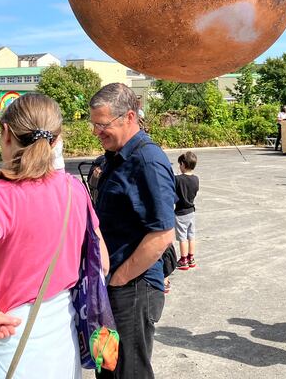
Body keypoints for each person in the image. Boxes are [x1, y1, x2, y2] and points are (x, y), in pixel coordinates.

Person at [0, 93, 108, 378]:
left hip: (9, 335)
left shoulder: (2, 197)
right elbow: (101, 260)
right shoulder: (73, 189)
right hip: (62, 335)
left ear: (6, 134)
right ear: (56, 139)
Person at [89, 82, 176, 379]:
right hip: (112, 284)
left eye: (102, 125)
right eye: (94, 125)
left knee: (130, 371)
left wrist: (119, 280)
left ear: (128, 117)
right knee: (108, 366)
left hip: (132, 288)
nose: (97, 132)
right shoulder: (116, 156)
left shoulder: (147, 161)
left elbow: (163, 234)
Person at [174, 151, 199, 271]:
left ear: (183, 164)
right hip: (191, 211)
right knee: (191, 236)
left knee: (182, 237)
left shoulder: (177, 179)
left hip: (181, 212)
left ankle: (183, 259)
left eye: (180, 164)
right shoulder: (196, 179)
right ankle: (191, 258)